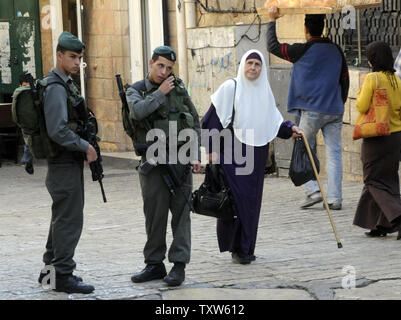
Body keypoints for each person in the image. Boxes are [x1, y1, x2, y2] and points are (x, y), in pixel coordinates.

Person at [201, 49, 302, 264]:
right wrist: (210, 150)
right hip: (233, 152)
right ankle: (235, 246)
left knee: (251, 203)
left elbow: (274, 123)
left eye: (257, 64)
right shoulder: (230, 88)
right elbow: (212, 119)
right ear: (242, 65)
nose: (253, 68)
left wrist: (291, 128)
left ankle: (245, 248)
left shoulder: (264, 92)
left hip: (256, 155)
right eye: (250, 63)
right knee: (235, 200)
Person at [126, 46, 201, 287]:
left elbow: (194, 119)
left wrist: (195, 152)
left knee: (181, 214)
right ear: (150, 63)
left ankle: (179, 266)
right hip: (153, 161)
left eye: (169, 68)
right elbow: (137, 112)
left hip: (180, 160)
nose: (164, 71)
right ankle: (154, 264)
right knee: (155, 216)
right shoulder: (136, 90)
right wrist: (159, 93)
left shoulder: (178, 89)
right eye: (160, 66)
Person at [267, 7, 349, 210]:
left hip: (311, 111)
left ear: (306, 29)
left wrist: (272, 20)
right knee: (334, 153)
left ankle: (313, 189)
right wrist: (339, 102)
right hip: (334, 110)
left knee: (304, 150)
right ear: (323, 27)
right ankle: (334, 198)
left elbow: (273, 45)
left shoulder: (301, 51)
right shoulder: (336, 50)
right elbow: (345, 81)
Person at [38, 31, 97, 294]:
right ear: (59, 55)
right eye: (72, 57)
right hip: (62, 163)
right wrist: (85, 146)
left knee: (61, 218)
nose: (76, 62)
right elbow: (57, 130)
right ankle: (62, 275)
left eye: (79, 58)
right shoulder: (55, 86)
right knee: (69, 220)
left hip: (66, 163)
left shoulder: (64, 83)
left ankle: (49, 273)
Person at [353, 41, 401, 239]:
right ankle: (380, 224)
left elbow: (362, 106)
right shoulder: (397, 80)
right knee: (388, 179)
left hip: (377, 137)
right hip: (396, 136)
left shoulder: (373, 78)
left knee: (372, 179)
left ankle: (397, 215)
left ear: (372, 60)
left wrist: (360, 91)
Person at [18, 73, 34, 175]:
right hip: (25, 123)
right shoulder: (18, 94)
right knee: (28, 143)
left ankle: (27, 160)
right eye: (25, 86)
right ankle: (27, 160)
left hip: (35, 122)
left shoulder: (34, 92)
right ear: (20, 86)